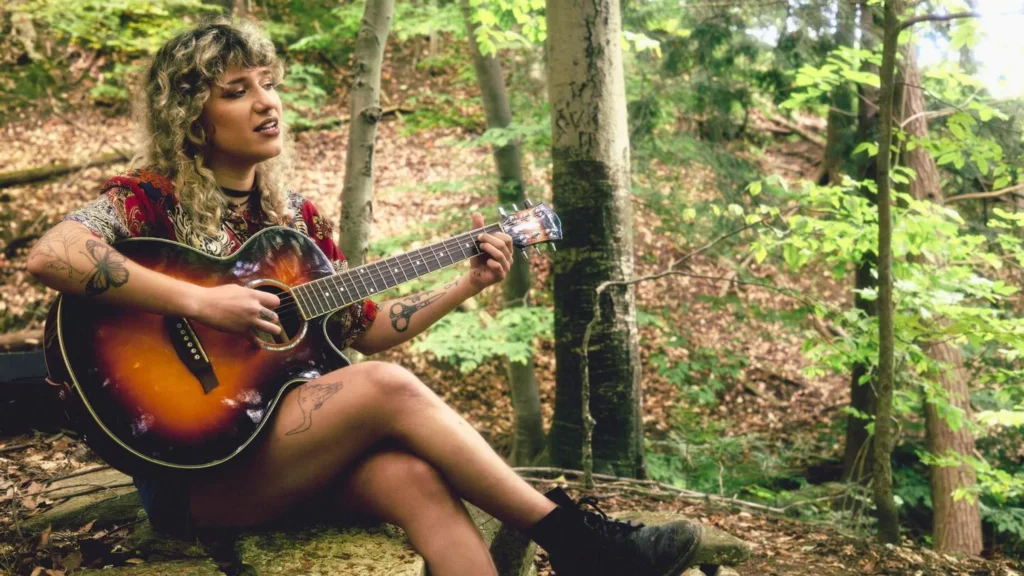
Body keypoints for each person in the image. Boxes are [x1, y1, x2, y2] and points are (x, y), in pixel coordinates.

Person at [26, 17, 721, 576]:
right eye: (236, 90)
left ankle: (578, 546)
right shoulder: (148, 202)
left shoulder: (293, 227)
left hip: (281, 450)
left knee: (414, 478)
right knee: (385, 388)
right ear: (192, 116)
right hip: (194, 471)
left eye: (267, 84)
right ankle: (577, 541)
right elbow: (53, 255)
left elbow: (367, 326)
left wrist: (466, 283)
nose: (267, 101)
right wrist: (204, 304)